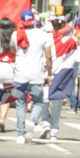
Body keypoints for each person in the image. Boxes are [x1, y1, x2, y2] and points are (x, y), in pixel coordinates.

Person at [12, 9, 52, 143]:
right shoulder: (43, 35)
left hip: (20, 75)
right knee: (38, 102)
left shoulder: (15, 34)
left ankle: (20, 135)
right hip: (36, 75)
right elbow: (48, 56)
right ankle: (32, 122)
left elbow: (12, 50)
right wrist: (50, 73)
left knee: (20, 104)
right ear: (33, 19)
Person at [46, 16, 80, 140]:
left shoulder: (46, 35)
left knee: (44, 99)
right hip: (62, 73)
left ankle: (45, 122)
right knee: (57, 102)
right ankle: (54, 130)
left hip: (47, 71)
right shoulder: (71, 38)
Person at [0, 16, 17, 132]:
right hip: (10, 66)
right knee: (6, 96)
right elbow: (15, 50)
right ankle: (2, 119)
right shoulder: (14, 34)